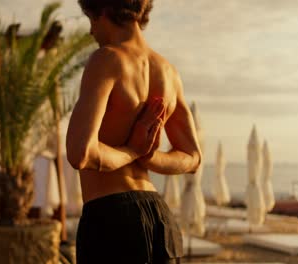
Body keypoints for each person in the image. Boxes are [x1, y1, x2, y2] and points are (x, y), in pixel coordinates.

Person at [66, 0, 202, 263]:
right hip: (161, 219)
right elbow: (193, 157)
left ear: (103, 10)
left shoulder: (107, 59)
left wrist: (133, 151)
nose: (91, 31)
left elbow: (80, 152)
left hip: (111, 218)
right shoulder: (169, 72)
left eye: (91, 20)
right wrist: (148, 156)